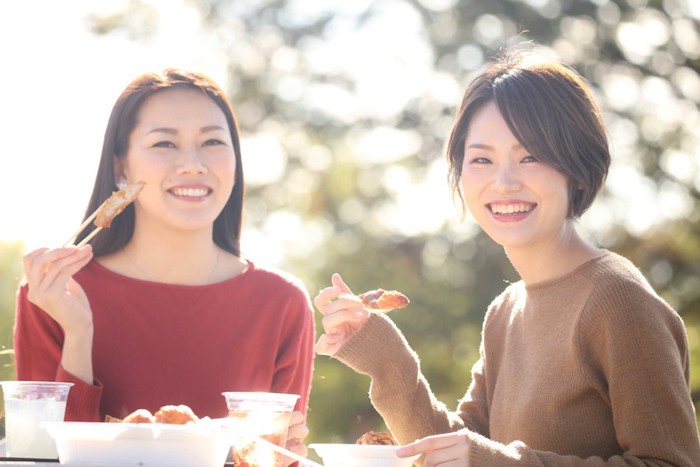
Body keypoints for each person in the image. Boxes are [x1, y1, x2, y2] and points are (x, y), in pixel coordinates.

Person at [313, 45, 700, 465]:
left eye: (530, 156)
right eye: (481, 159)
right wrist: (385, 355)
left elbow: (670, 462)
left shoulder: (618, 301)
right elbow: (456, 452)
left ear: (578, 169)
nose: (503, 183)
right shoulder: (505, 312)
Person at [16, 69, 314, 460]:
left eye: (212, 141)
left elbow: (269, 460)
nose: (192, 164)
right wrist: (78, 334)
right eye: (164, 144)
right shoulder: (54, 292)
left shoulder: (281, 303)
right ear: (122, 167)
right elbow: (42, 459)